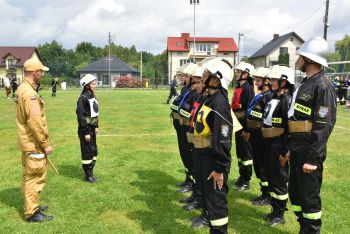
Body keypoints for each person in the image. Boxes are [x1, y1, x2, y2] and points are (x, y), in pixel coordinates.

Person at [288, 37, 337, 234]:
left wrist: (313, 159)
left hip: (309, 153)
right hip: (297, 149)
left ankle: (312, 230)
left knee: (309, 198)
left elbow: (323, 125)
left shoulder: (322, 85)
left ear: (310, 58)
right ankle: (304, 228)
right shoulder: (306, 83)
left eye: (301, 56)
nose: (298, 59)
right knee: (296, 195)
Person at [193, 58, 233, 233]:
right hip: (204, 157)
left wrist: (219, 168)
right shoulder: (209, 99)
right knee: (208, 200)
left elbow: (223, 139)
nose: (203, 75)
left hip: (213, 162)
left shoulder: (219, 103)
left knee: (216, 204)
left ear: (217, 79)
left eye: (207, 74)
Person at [15, 58, 54, 222]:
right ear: (34, 72)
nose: (43, 74)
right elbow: (35, 122)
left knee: (29, 176)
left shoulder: (22, 88)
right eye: (41, 71)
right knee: (35, 177)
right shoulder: (29, 93)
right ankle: (32, 213)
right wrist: (45, 144)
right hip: (34, 143)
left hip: (27, 142)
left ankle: (33, 205)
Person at [262, 65, 295, 226]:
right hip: (270, 144)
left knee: (279, 180)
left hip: (278, 146)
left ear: (284, 82)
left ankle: (279, 214)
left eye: (275, 80)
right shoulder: (275, 98)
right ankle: (275, 210)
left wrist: (285, 151)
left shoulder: (287, 100)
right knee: (273, 178)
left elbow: (289, 129)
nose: (271, 82)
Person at [246, 67, 272, 206]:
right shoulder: (260, 96)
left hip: (261, 136)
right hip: (254, 135)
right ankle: (264, 191)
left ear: (266, 81)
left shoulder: (269, 97)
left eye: (258, 80)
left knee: (262, 165)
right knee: (257, 164)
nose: (255, 83)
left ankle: (267, 194)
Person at [170, 63, 197, 193]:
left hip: (187, 128)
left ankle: (192, 182)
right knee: (184, 154)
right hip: (180, 127)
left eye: (184, 76)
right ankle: (188, 178)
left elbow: (192, 113)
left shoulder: (195, 93)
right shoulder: (185, 90)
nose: (182, 78)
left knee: (189, 155)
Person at [231, 62, 255, 191]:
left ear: (246, 74)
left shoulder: (248, 89)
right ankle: (242, 176)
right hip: (237, 124)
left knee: (246, 154)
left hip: (244, 126)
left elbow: (249, 111)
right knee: (240, 153)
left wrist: (247, 130)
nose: (236, 73)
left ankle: (247, 179)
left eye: (239, 71)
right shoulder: (238, 87)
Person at [76, 74, 100, 183]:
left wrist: (96, 126)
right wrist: (86, 132)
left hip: (92, 129)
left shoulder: (92, 96)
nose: (95, 85)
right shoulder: (82, 98)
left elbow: (94, 114)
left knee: (93, 151)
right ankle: (88, 175)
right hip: (85, 130)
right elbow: (81, 117)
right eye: (93, 83)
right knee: (87, 152)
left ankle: (91, 173)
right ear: (87, 85)